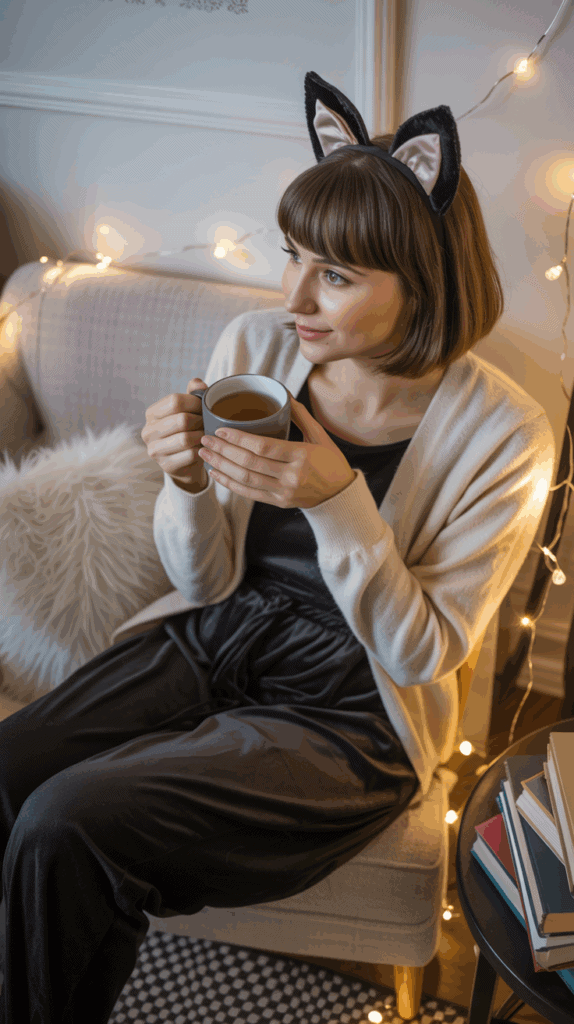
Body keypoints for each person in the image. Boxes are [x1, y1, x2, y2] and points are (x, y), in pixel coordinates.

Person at [0, 72, 555, 1023]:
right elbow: (206, 577)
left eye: (335, 274)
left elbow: (422, 652)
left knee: (69, 823)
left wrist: (340, 501)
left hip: (356, 707)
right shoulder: (256, 346)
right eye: (293, 253)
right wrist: (181, 482)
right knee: (14, 777)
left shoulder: (508, 438)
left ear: (423, 281)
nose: (292, 292)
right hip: (216, 630)